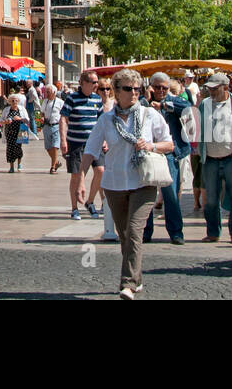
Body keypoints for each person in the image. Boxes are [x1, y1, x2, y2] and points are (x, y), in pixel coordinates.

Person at [80, 69, 174, 299]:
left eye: (136, 89)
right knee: (124, 235)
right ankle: (137, 277)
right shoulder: (106, 119)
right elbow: (91, 148)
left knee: (134, 231)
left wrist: (151, 146)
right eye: (127, 89)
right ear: (116, 91)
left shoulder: (149, 115)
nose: (133, 93)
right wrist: (80, 181)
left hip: (144, 182)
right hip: (114, 183)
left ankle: (128, 284)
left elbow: (169, 144)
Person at [195, 73, 232, 244]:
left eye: (215, 88)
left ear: (226, 88)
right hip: (210, 159)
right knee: (211, 199)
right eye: (209, 88)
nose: (211, 91)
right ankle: (213, 232)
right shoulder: (204, 105)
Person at [143, 73, 190, 245]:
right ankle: (145, 232)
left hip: (170, 152)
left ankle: (176, 232)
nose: (160, 90)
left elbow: (187, 107)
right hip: (147, 153)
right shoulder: (143, 102)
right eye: (157, 87)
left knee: (171, 194)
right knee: (146, 193)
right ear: (150, 87)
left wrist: (162, 104)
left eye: (164, 87)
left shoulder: (173, 101)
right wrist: (147, 100)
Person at [61, 72, 106, 219]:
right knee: (76, 175)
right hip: (75, 142)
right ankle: (74, 208)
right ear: (84, 83)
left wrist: (104, 139)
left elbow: (101, 121)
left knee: (101, 171)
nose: (96, 85)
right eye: (94, 82)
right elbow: (63, 118)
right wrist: (63, 140)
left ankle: (90, 201)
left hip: (94, 142)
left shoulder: (97, 99)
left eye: (96, 82)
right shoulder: (72, 98)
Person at [1, 93, 29, 173]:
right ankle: (11, 167)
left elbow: (27, 120)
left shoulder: (22, 109)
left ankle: (19, 164)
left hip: (22, 130)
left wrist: (20, 118)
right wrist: (6, 122)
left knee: (18, 148)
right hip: (10, 131)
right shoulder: (6, 110)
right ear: (9, 101)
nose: (14, 102)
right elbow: (1, 121)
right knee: (10, 148)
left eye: (16, 100)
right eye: (12, 101)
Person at [42, 83, 64, 173]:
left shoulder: (60, 102)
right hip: (47, 126)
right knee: (48, 147)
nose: (47, 93)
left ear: (54, 92)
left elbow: (64, 114)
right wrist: (42, 117)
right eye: (46, 91)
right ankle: (56, 162)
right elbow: (42, 112)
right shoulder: (45, 102)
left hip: (56, 125)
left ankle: (53, 167)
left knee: (55, 146)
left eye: (49, 91)